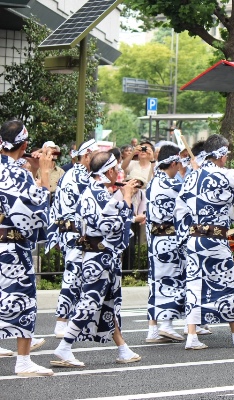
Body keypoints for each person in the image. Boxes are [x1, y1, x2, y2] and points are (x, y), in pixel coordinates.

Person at [175, 134, 234, 349]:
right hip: (215, 240)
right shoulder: (223, 175)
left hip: (194, 239)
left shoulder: (191, 177)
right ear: (222, 153)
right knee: (226, 284)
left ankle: (192, 337)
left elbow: (180, 208)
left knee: (194, 286)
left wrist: (183, 238)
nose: (227, 158)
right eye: (227, 153)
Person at [52, 152, 140, 368]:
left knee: (107, 302)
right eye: (117, 169)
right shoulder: (99, 193)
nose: (119, 172)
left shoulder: (92, 190)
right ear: (109, 171)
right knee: (90, 302)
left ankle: (123, 348)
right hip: (98, 257)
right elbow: (112, 227)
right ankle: (64, 347)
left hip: (94, 256)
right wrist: (127, 199)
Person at [0, 119, 54, 376]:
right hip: (12, 247)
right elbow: (34, 214)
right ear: (24, 144)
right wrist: (43, 174)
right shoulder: (17, 174)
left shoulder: (8, 168)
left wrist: (28, 163)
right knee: (23, 299)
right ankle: (23, 361)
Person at [46, 139, 99, 338]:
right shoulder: (78, 176)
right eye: (94, 156)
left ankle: (70, 321)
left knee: (76, 277)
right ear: (86, 156)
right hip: (75, 234)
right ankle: (62, 321)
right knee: (72, 277)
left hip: (72, 233)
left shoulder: (75, 174)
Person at [144, 144, 188, 343]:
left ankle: (153, 329)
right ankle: (166, 325)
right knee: (170, 282)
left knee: (156, 283)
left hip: (155, 240)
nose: (179, 166)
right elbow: (190, 194)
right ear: (172, 163)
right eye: (178, 163)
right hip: (168, 240)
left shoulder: (154, 181)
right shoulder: (171, 185)